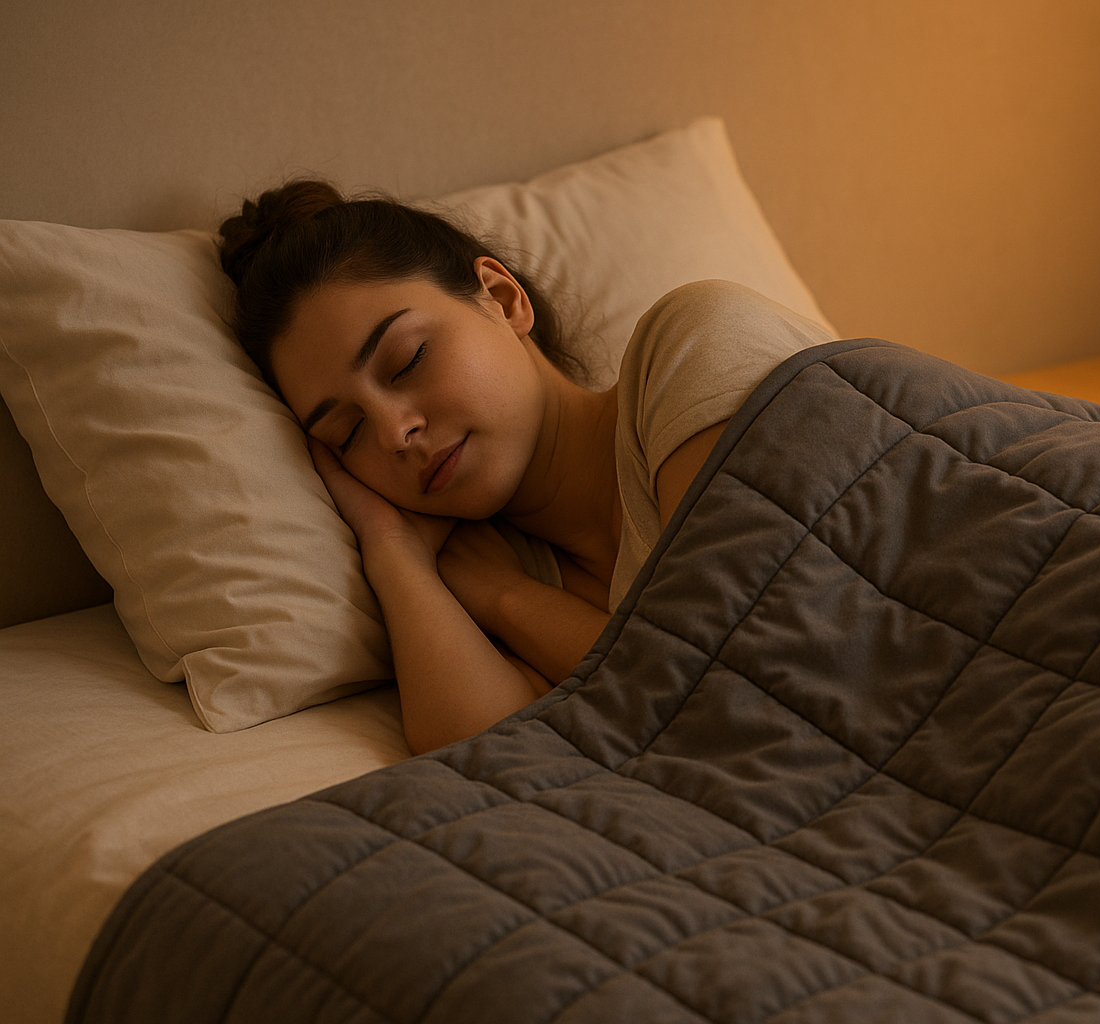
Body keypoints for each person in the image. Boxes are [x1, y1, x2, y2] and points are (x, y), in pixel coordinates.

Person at [218, 180, 833, 754]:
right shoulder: (478, 572)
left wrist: (510, 600)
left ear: (503, 299)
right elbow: (486, 763)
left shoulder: (691, 349)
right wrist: (394, 554)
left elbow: (751, 687)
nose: (393, 433)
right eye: (347, 433)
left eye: (407, 360)